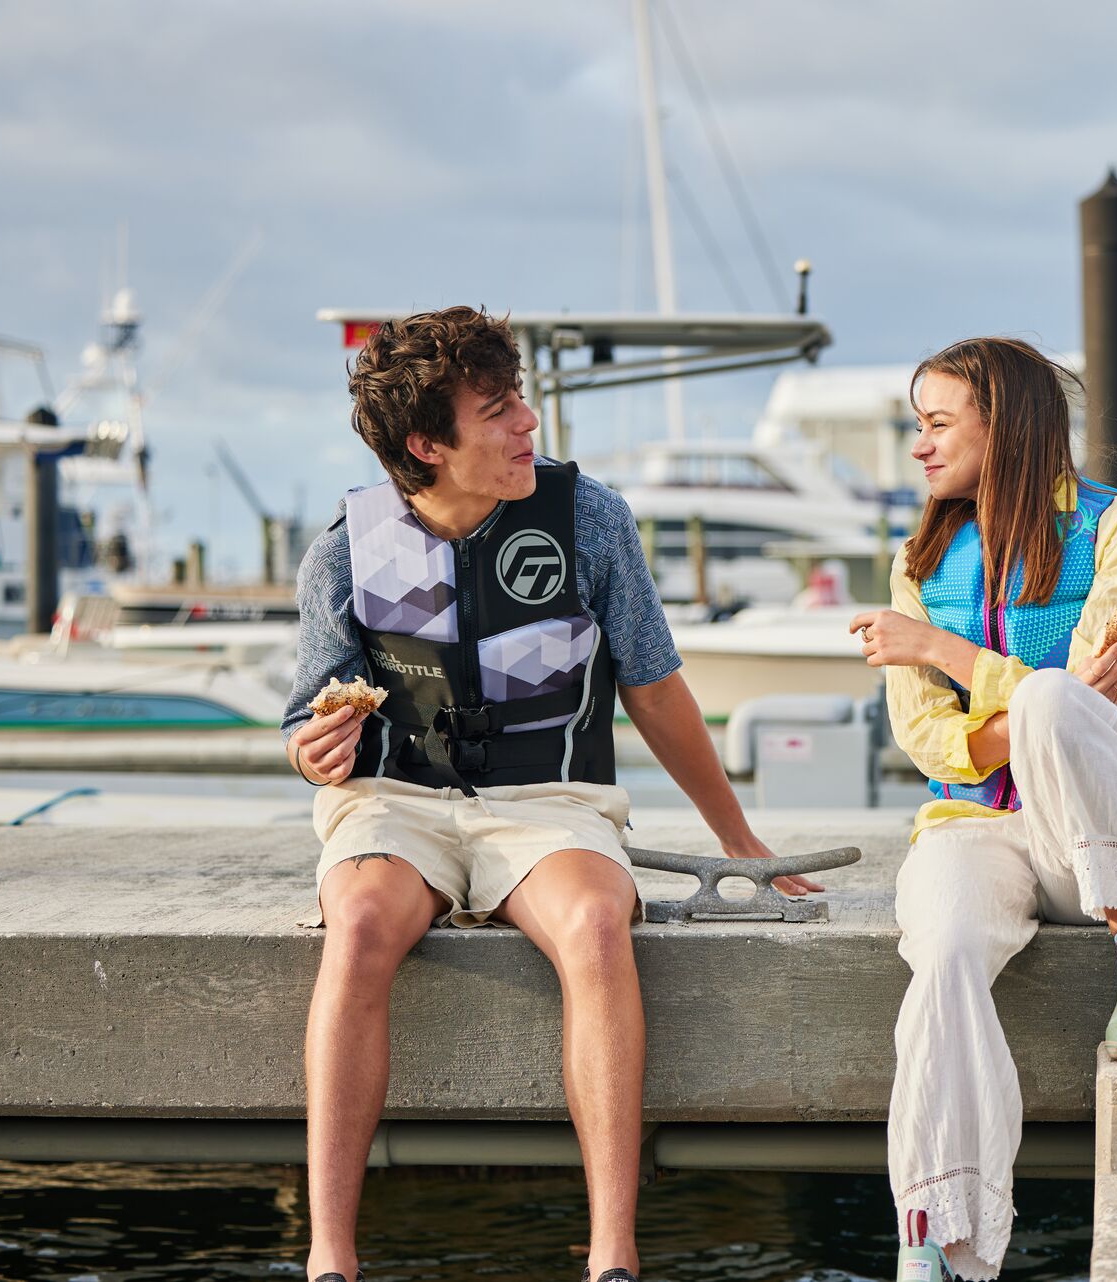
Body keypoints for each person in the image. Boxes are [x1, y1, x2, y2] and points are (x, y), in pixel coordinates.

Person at [281, 306, 817, 1282]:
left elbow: (654, 690)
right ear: (426, 444)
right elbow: (306, 727)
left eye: (520, 397)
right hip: (395, 802)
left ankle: (612, 1253)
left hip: (552, 802)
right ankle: (330, 1258)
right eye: (498, 409)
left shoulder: (593, 520)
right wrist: (316, 750)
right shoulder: (344, 553)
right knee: (357, 925)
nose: (529, 422)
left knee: (595, 925)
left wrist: (739, 838)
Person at [848, 337, 1117, 1281]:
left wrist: (946, 651)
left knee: (1060, 704)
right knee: (944, 958)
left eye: (937, 424)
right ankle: (936, 1242)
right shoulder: (923, 552)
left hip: (1099, 829)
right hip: (973, 828)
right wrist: (1030, 711)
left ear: (1003, 423)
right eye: (916, 426)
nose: (920, 448)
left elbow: (1104, 709)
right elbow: (923, 740)